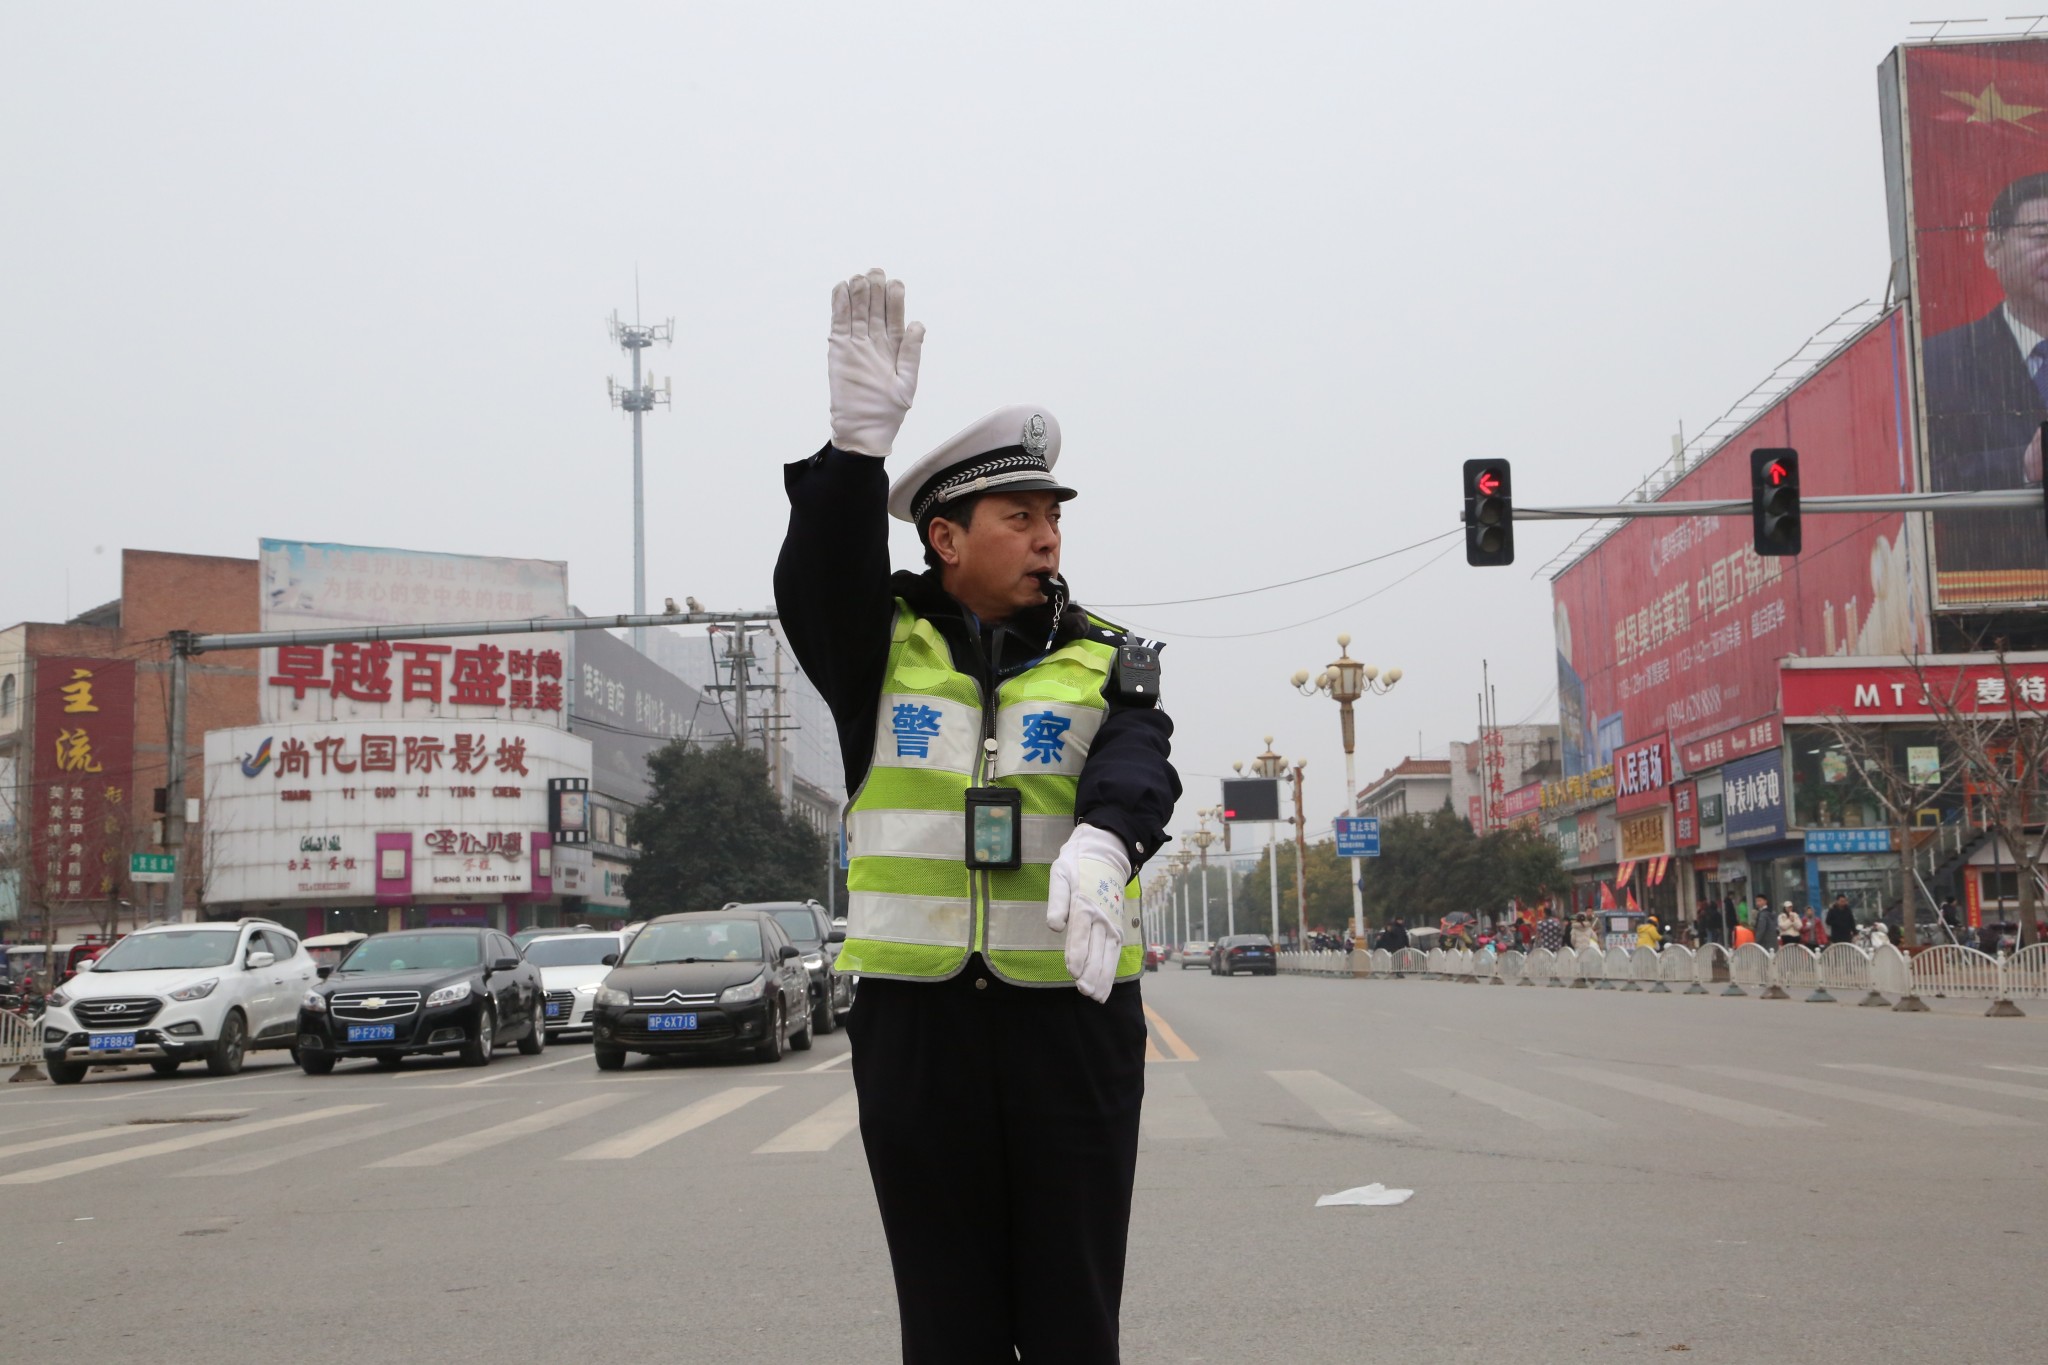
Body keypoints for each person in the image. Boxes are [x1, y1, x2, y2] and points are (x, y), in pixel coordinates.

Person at [774, 270, 1179, 1363]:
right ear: (946, 539)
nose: (1047, 537)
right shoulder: (880, 653)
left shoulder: (1108, 658)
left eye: (1053, 517)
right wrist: (854, 453)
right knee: (946, 1319)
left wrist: (1106, 838)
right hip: (919, 1031)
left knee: (1072, 1317)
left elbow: (1139, 758)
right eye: (1020, 517)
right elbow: (817, 585)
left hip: (1070, 1023)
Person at [1920, 172, 2048, 577]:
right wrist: (2023, 465)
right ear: (1993, 250)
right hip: (1997, 591)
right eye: (2041, 236)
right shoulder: (1938, 363)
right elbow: (1923, 482)